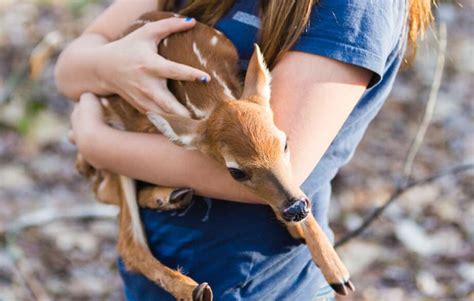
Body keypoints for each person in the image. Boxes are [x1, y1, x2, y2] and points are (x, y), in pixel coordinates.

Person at [55, 0, 432, 300]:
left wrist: (97, 142)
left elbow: (285, 167)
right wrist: (110, 67)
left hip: (257, 285)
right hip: (157, 275)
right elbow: (69, 69)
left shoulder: (353, 8)